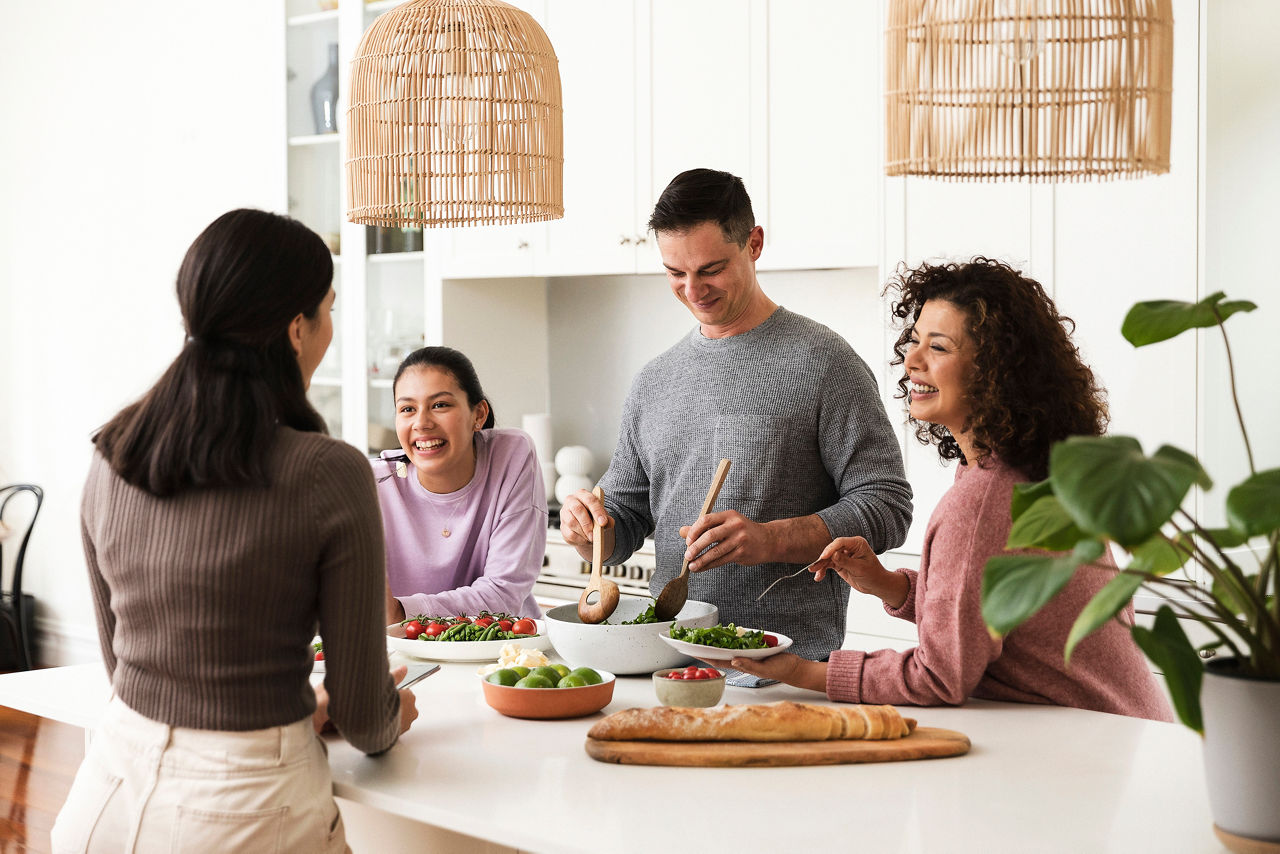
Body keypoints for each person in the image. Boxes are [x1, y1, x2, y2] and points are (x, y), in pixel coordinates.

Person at [53, 209, 418, 853]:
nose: (331, 329)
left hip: (103, 801)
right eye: (328, 310)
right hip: (246, 813)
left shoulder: (112, 452)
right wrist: (388, 715)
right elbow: (364, 718)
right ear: (296, 328)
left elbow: (129, 668)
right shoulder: (326, 471)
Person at [717, 258, 1173, 721]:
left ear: (995, 370)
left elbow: (940, 676)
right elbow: (986, 616)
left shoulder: (983, 500)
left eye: (938, 347)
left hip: (1095, 738)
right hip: (1122, 729)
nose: (911, 360)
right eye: (914, 340)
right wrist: (891, 586)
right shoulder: (1027, 472)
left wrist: (803, 672)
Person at [558, 168, 913, 661]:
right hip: (668, 658)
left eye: (710, 269)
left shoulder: (826, 363)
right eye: (674, 273)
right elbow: (624, 518)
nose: (692, 289)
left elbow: (888, 505)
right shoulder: (654, 380)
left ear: (755, 243)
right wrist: (589, 530)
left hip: (787, 667)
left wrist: (770, 539)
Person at [376, 346, 546, 623]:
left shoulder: (511, 455)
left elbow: (502, 595)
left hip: (504, 649)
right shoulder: (375, 484)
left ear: (478, 415)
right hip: (409, 653)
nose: (421, 423)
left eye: (440, 405)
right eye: (407, 409)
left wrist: (400, 611)